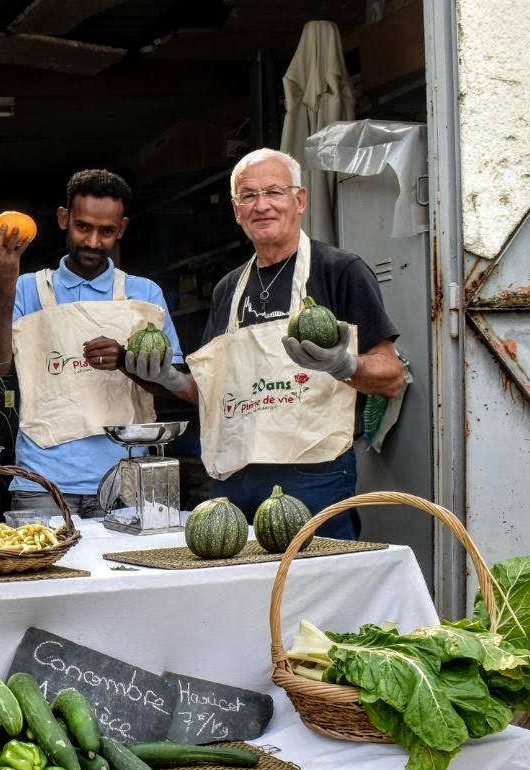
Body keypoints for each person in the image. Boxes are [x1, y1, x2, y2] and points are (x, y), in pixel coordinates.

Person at [122, 148, 405, 538]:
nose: (262, 206)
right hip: (235, 475)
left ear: (299, 199)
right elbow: (211, 392)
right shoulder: (227, 290)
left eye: (274, 192)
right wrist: (168, 378)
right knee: (240, 589)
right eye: (249, 196)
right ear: (237, 211)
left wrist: (346, 365)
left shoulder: (340, 271)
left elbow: (392, 376)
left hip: (314, 472)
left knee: (317, 584)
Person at [0, 169, 181, 517]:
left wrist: (126, 361)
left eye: (106, 232)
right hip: (40, 485)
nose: (93, 242)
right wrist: (4, 281)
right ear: (64, 218)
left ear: (121, 229)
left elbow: (171, 385)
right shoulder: (28, 289)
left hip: (126, 483)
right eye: (83, 227)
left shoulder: (144, 295)